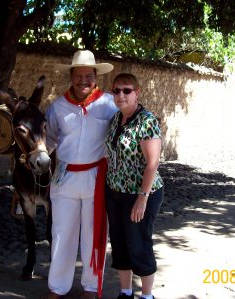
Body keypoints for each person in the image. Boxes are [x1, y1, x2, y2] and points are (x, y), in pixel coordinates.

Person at [44, 50, 118, 299]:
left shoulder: (109, 104)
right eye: (78, 76)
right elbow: (49, 141)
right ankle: (57, 287)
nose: (83, 81)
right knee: (62, 233)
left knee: (92, 235)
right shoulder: (58, 106)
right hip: (64, 179)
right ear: (71, 77)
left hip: (96, 179)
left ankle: (90, 286)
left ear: (96, 77)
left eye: (88, 75)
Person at [105, 73, 164, 299]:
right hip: (116, 191)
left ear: (137, 93)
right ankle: (125, 292)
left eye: (126, 90)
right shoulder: (115, 119)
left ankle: (147, 295)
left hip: (140, 193)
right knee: (119, 243)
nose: (121, 95)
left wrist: (142, 197)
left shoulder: (146, 121)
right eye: (116, 90)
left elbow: (152, 163)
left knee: (138, 243)